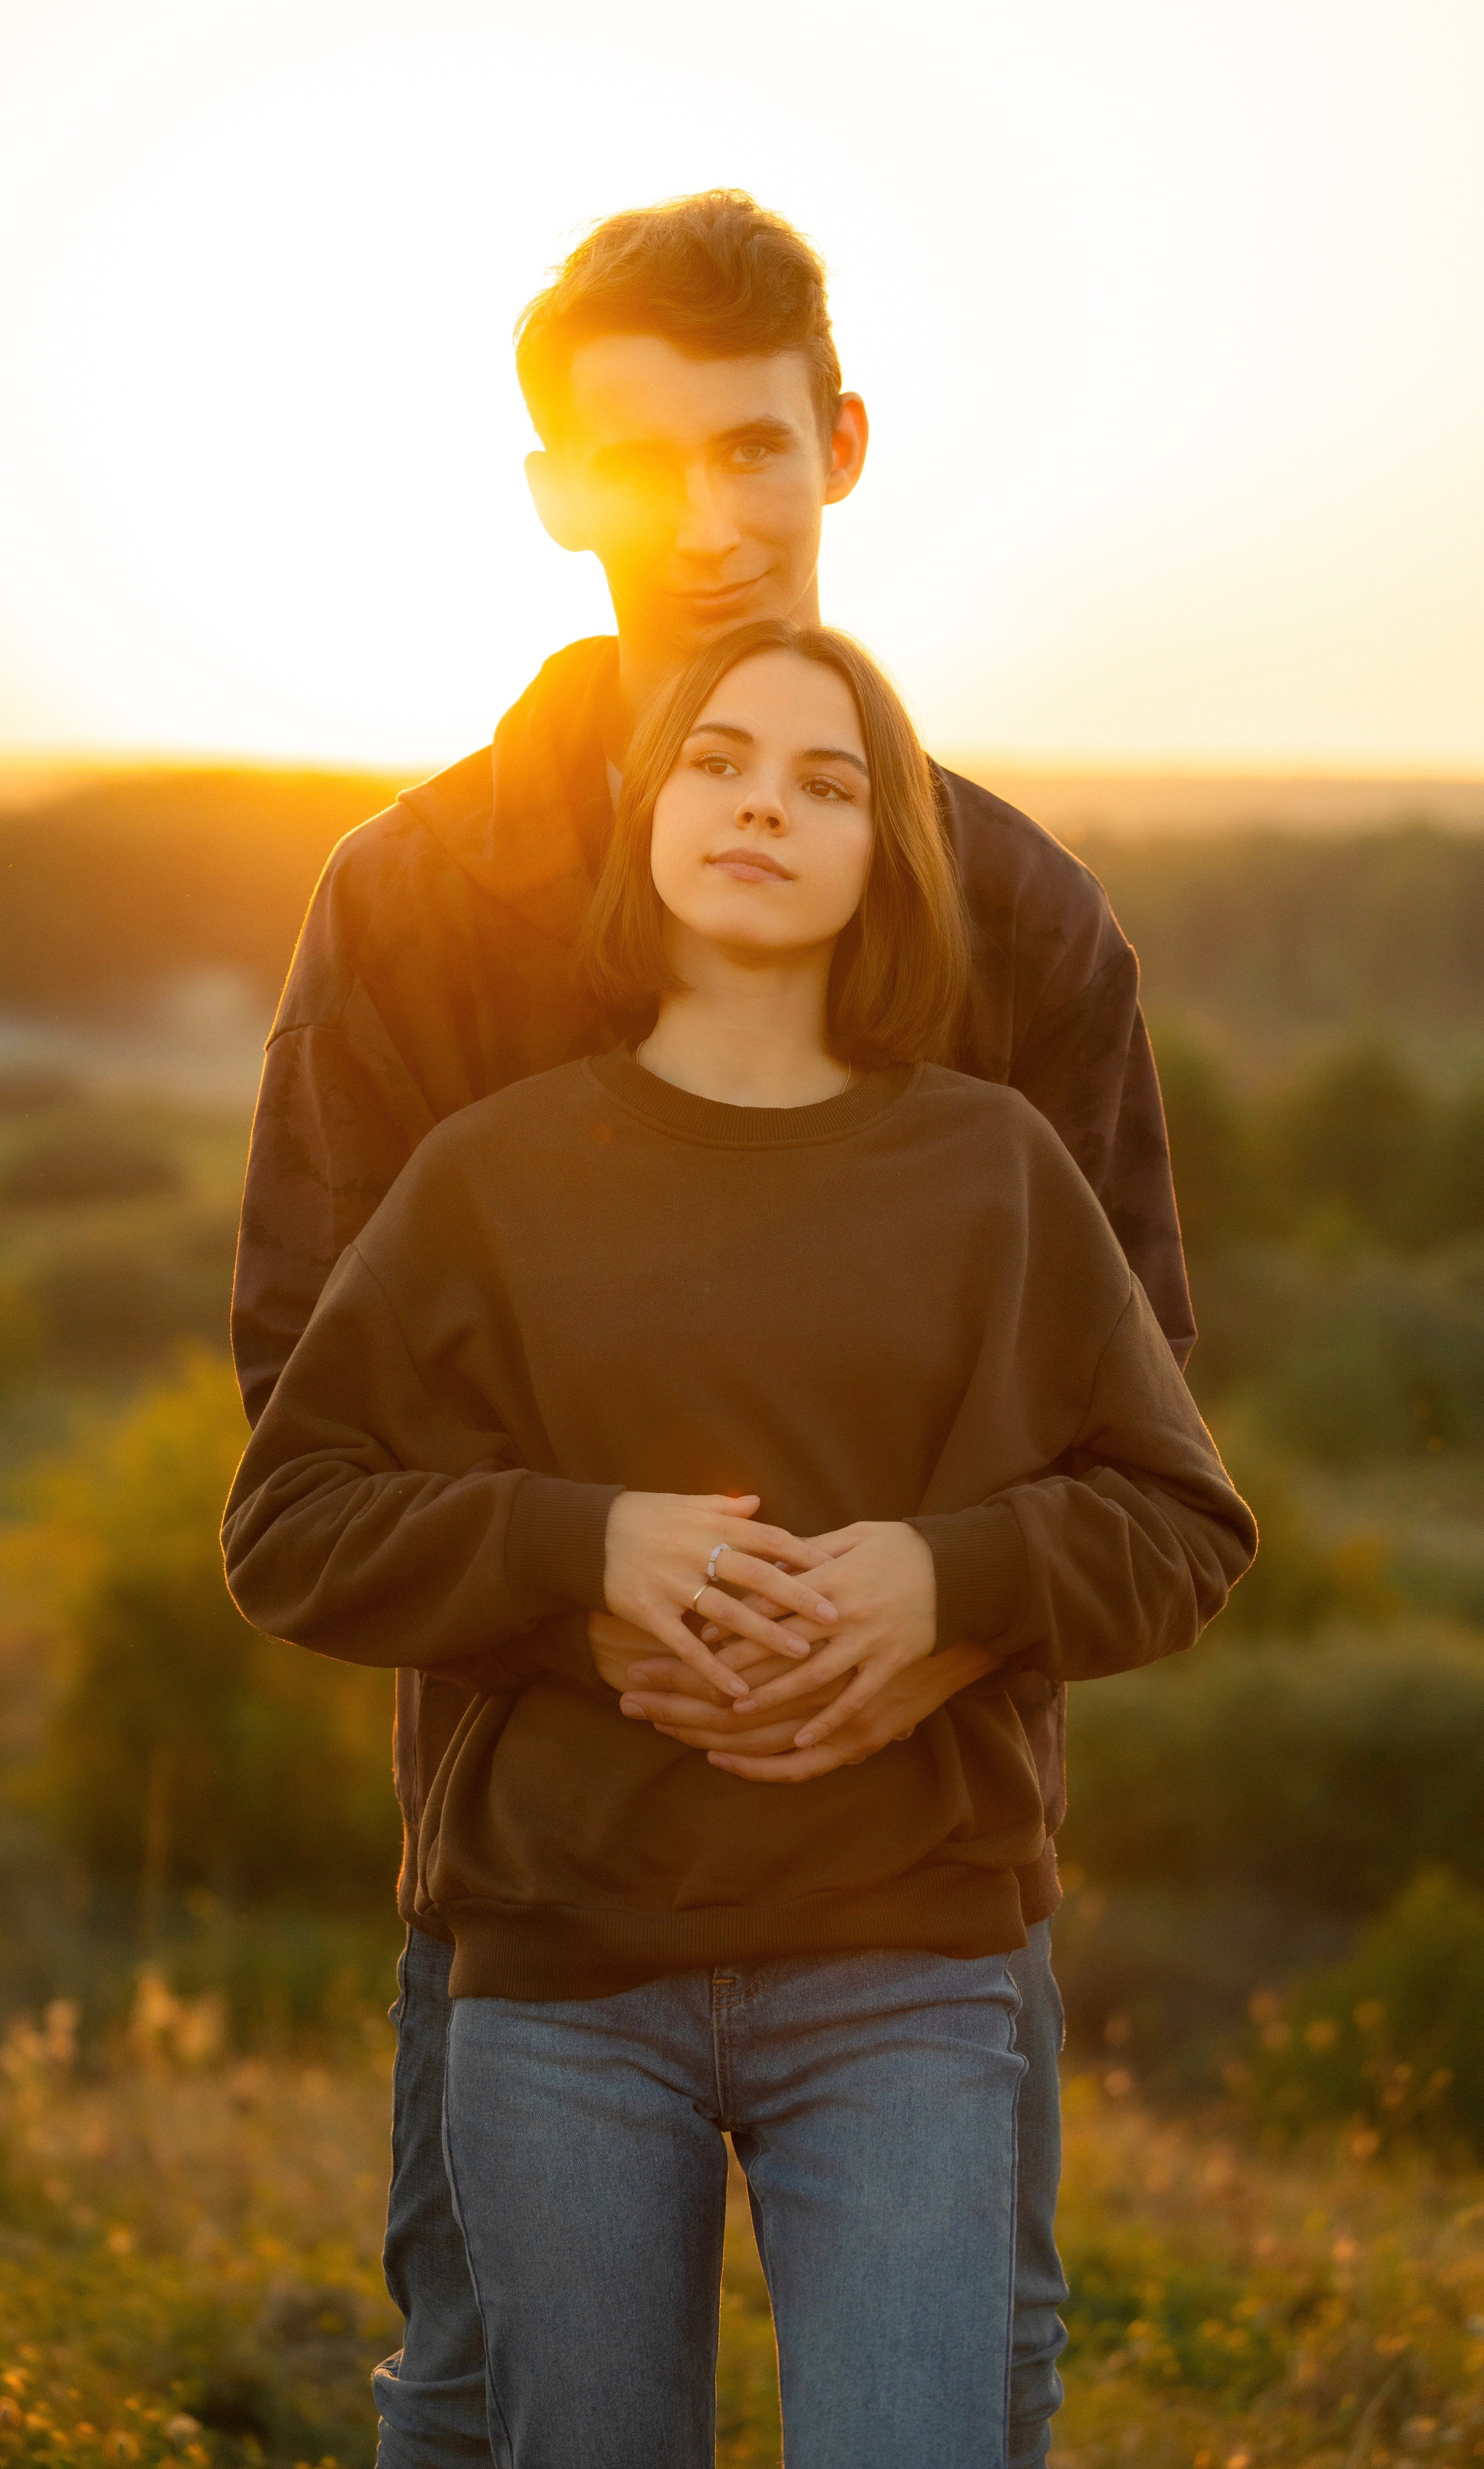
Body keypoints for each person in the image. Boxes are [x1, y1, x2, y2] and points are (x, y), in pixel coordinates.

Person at [229, 192, 1199, 2468]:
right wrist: (593, 1584)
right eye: (639, 460)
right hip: (531, 1877)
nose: (705, 521)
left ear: (842, 445)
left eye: (754, 449)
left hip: (928, 1883)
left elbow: (1140, 1440)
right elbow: (309, 1428)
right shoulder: (409, 911)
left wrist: (943, 1610)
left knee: (974, 2402)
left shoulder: (1022, 919)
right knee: (487, 2405)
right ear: (557, 488)